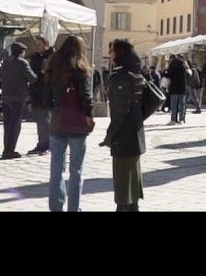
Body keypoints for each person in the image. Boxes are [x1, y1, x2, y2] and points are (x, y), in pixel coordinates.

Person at [45, 34, 94, 212]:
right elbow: (86, 98)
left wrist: (55, 110)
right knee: (76, 170)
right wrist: (90, 115)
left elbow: (46, 98)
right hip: (77, 123)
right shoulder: (81, 70)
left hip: (58, 121)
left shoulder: (52, 68)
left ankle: (56, 207)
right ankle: (74, 208)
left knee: (56, 169)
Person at [101, 39, 146, 211]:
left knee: (122, 176)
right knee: (132, 176)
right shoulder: (135, 74)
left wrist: (110, 135)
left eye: (111, 50)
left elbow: (120, 111)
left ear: (119, 53)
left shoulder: (122, 77)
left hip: (124, 134)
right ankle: (132, 206)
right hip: (135, 132)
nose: (110, 54)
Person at [0, 41, 37, 158]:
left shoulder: (5, 62)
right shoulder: (22, 63)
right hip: (18, 97)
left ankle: (6, 148)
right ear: (21, 52)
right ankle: (10, 150)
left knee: (7, 124)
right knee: (15, 125)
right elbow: (32, 78)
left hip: (6, 97)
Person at [28, 36, 53, 156]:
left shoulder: (52, 56)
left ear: (45, 44)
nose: (37, 47)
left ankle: (48, 145)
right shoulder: (35, 57)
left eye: (39, 44)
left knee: (46, 121)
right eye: (36, 45)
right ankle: (41, 143)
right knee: (39, 121)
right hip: (36, 93)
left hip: (47, 92)